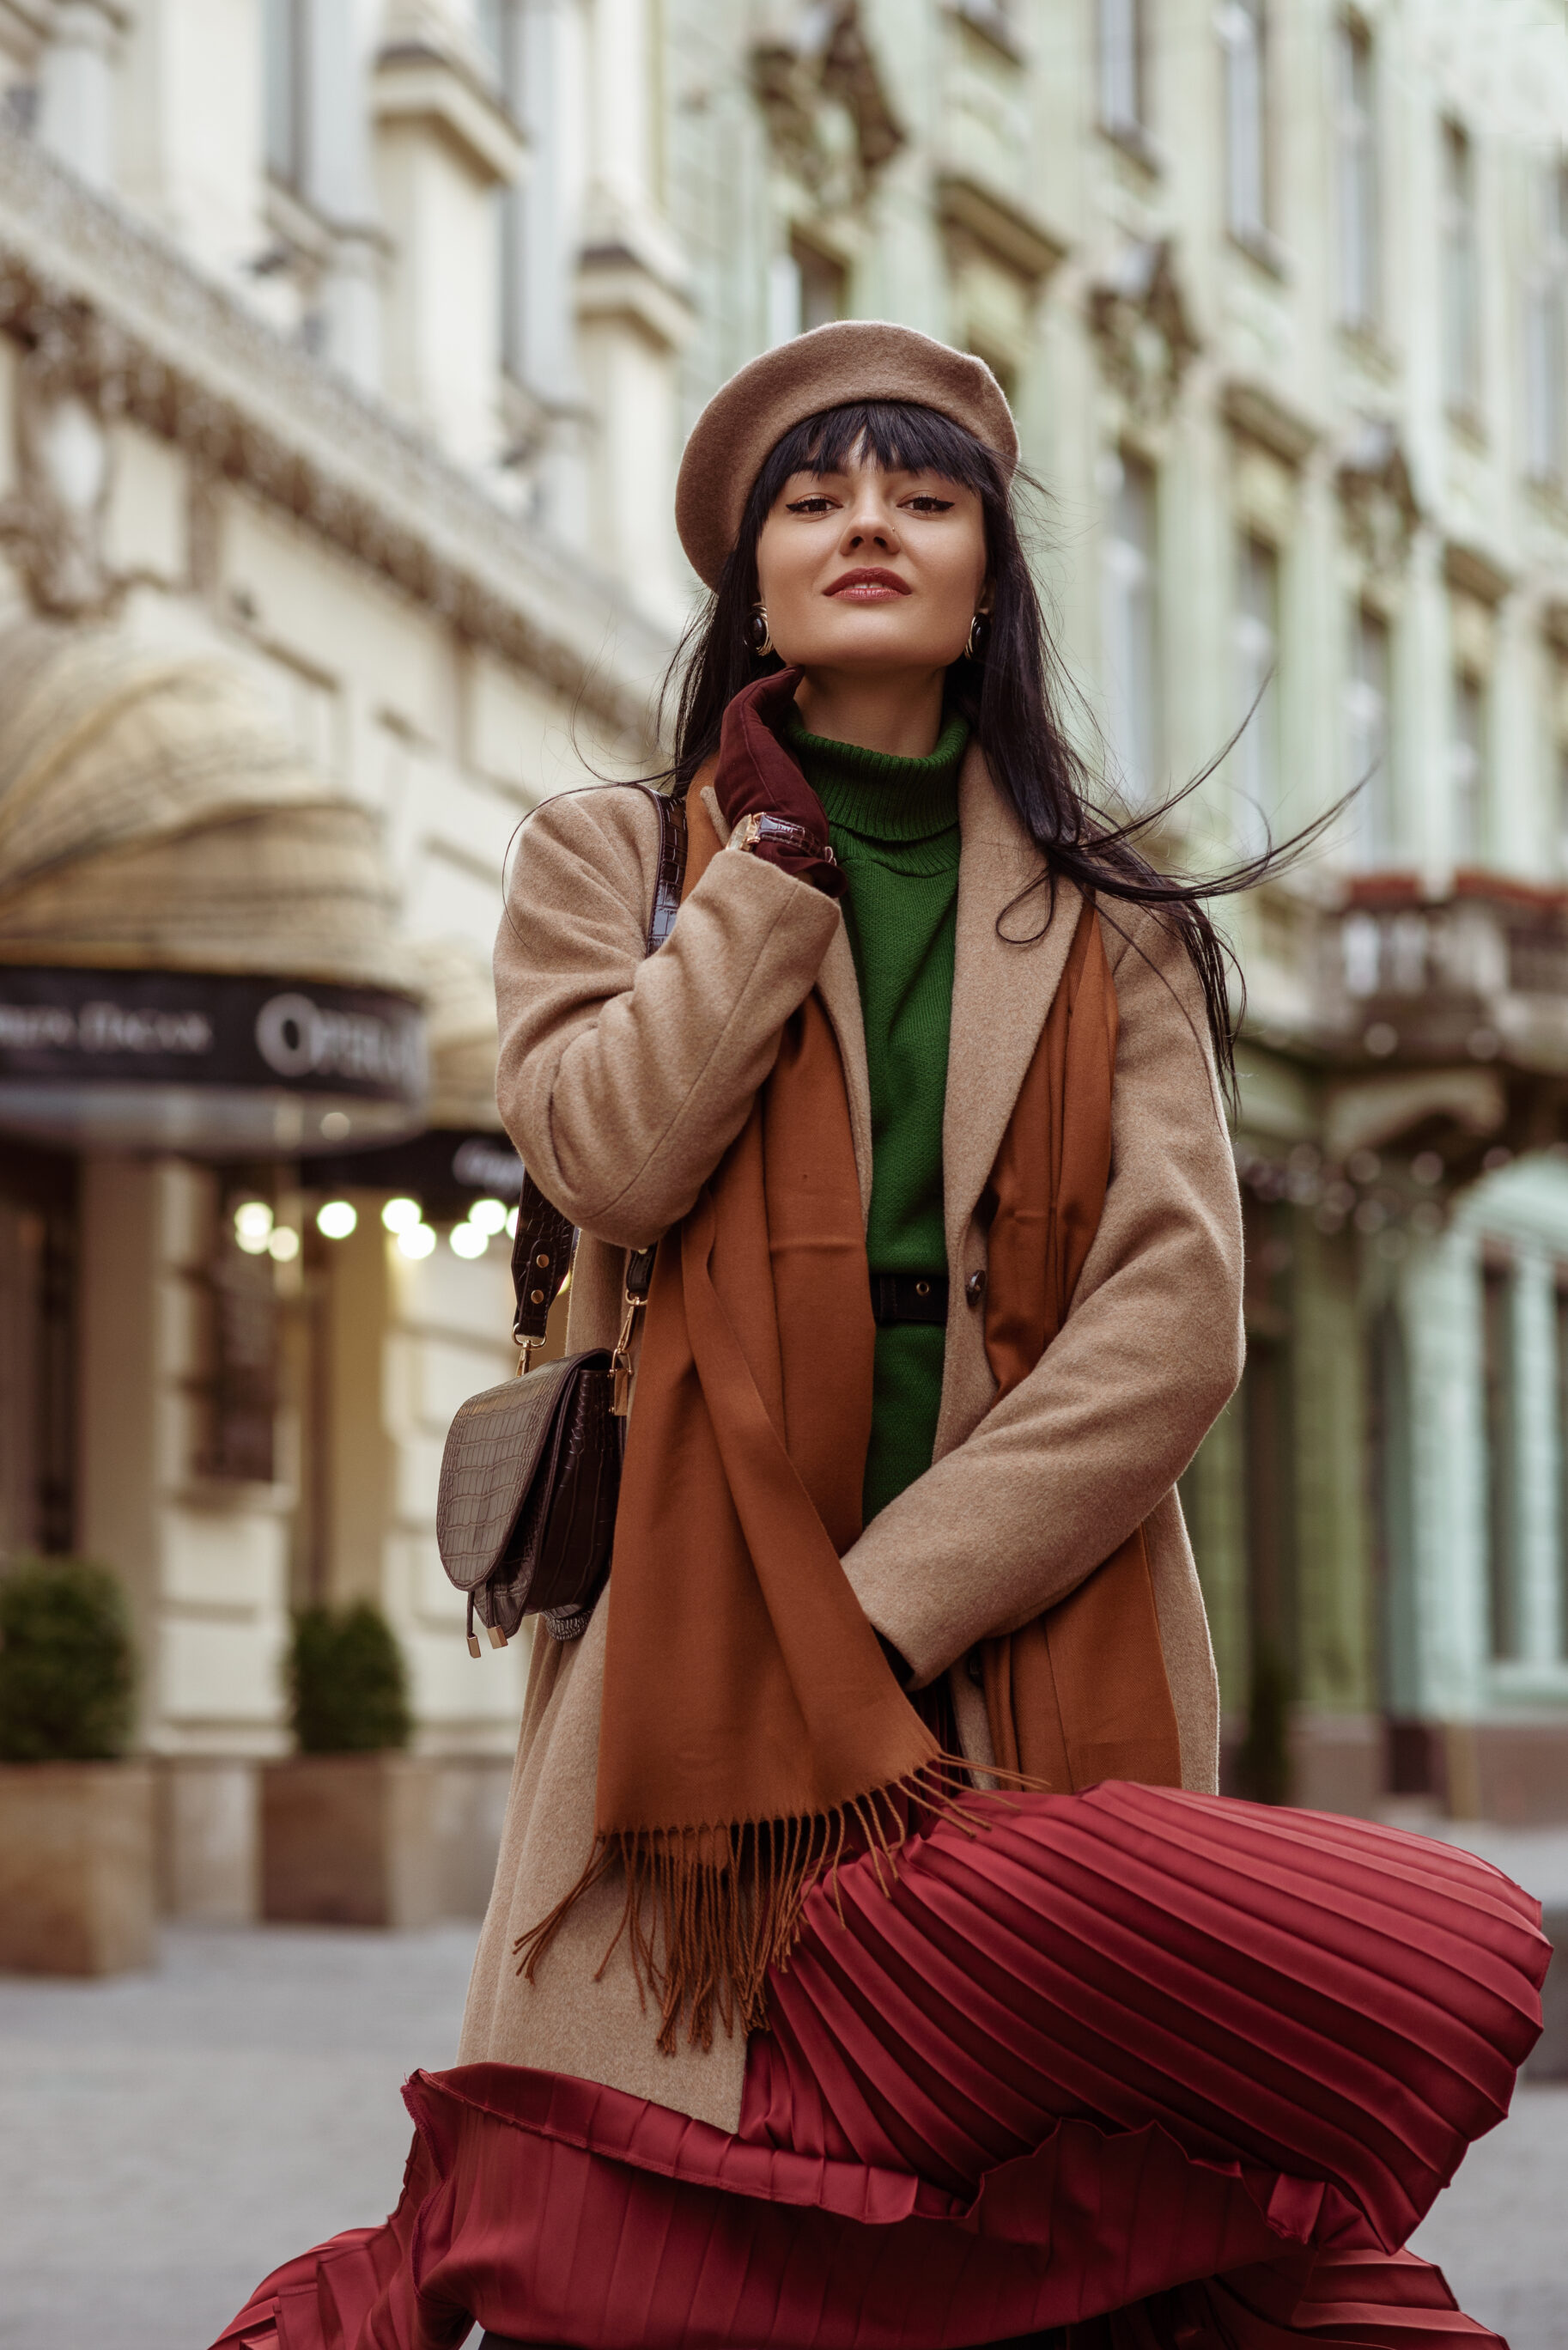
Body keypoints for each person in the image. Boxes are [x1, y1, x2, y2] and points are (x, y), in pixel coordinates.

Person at [216, 321, 1545, 2350]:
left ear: (988, 576)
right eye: (815, 500)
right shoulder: (616, 861)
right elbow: (609, 1157)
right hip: (690, 1654)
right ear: (746, 577)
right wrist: (761, 875)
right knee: (673, 2219)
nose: (867, 530)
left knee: (1051, 2230)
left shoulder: (1118, 922)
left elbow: (1173, 1318)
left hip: (1019, 1632)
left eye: (921, 500)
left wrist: (882, 1609)